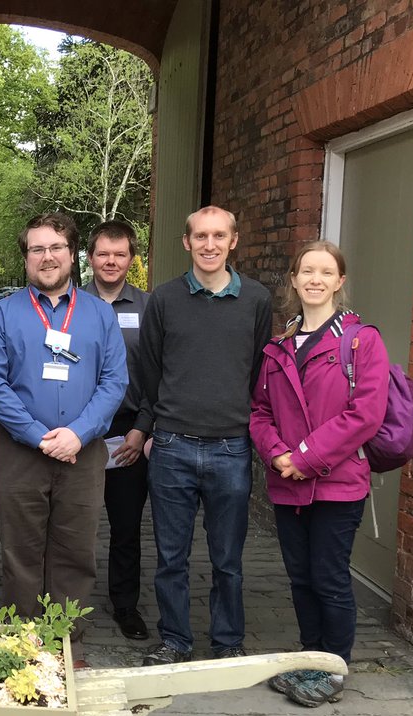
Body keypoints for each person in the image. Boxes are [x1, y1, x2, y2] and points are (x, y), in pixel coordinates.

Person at [134, 206, 273, 665]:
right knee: (171, 557)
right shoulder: (165, 300)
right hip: (173, 444)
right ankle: (174, 639)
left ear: (234, 241)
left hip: (231, 446)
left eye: (219, 236)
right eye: (200, 236)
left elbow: (257, 369)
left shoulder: (256, 299)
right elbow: (151, 368)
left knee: (227, 559)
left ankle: (228, 641)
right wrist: (157, 424)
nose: (209, 245)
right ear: (186, 242)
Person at [250, 241, 387, 706]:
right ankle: (311, 658)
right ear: (294, 279)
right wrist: (277, 455)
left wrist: (304, 458)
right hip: (287, 482)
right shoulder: (279, 346)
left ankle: (333, 669)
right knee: (301, 577)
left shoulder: (361, 340)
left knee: (329, 577)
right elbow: (260, 412)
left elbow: (365, 414)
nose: (315, 279)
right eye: (307, 270)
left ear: (339, 281)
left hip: (336, 483)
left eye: (325, 272)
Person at [0, 211, 127, 625]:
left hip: (83, 453)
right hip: (19, 453)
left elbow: (114, 382)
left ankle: (65, 638)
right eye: (37, 248)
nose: (47, 256)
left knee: (75, 550)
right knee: (20, 551)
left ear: (72, 253)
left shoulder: (99, 315)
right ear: (25, 258)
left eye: (56, 247)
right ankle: (23, 643)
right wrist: (39, 436)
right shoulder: (3, 315)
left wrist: (78, 434)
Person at [84, 221, 151, 641]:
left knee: (126, 526)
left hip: (128, 432)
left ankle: (125, 605)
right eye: (103, 253)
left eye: (120, 254)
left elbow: (159, 373)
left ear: (131, 259)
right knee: (75, 525)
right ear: (89, 257)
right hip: (80, 432)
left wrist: (143, 429)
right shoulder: (70, 303)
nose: (111, 261)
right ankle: (66, 606)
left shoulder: (149, 307)